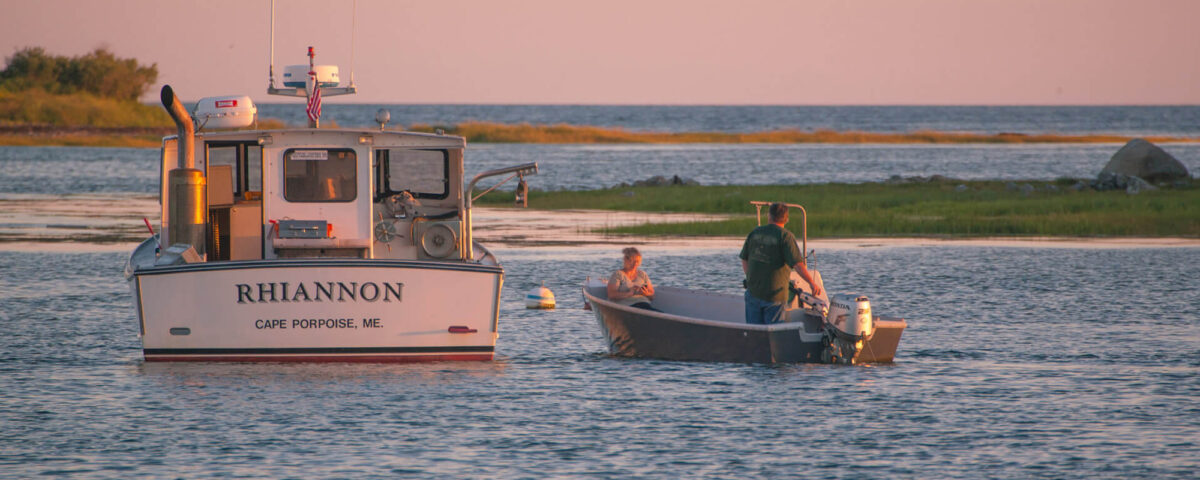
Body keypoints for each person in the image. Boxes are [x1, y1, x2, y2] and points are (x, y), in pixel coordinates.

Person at [739, 203, 822, 324]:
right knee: (774, 335)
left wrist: (751, 278)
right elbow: (798, 265)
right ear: (786, 219)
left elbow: (744, 259)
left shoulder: (755, 233)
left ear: (769, 216)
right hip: (775, 297)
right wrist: (811, 283)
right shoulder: (785, 236)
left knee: (755, 335)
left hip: (753, 293)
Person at [607, 247, 658, 311]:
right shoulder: (618, 274)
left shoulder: (642, 274)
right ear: (626, 260)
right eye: (632, 261)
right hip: (627, 306)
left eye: (637, 261)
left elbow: (652, 295)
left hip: (644, 304)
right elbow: (611, 295)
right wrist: (629, 293)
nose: (635, 264)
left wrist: (646, 293)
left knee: (657, 312)